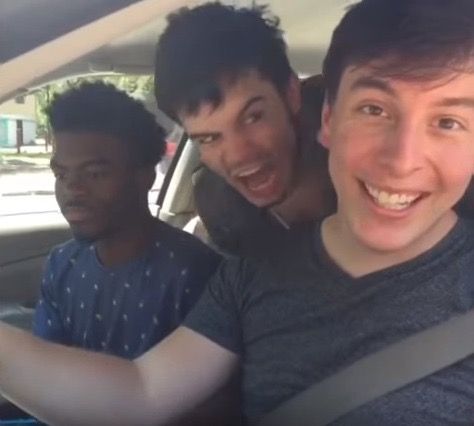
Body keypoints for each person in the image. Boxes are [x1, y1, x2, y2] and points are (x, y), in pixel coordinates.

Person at [0, 0, 474, 425]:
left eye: (448, 121)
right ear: (331, 117)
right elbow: (140, 392)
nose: (402, 160)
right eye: (375, 110)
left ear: (294, 98)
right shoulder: (248, 271)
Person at [32, 81, 221, 356]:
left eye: (95, 174)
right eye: (62, 174)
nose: (73, 189)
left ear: (144, 177)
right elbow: (44, 367)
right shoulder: (61, 265)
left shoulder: (194, 273)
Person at [155, 3, 336, 243]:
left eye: (253, 117)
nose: (239, 155)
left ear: (291, 93)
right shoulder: (223, 216)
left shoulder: (369, 162)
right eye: (208, 138)